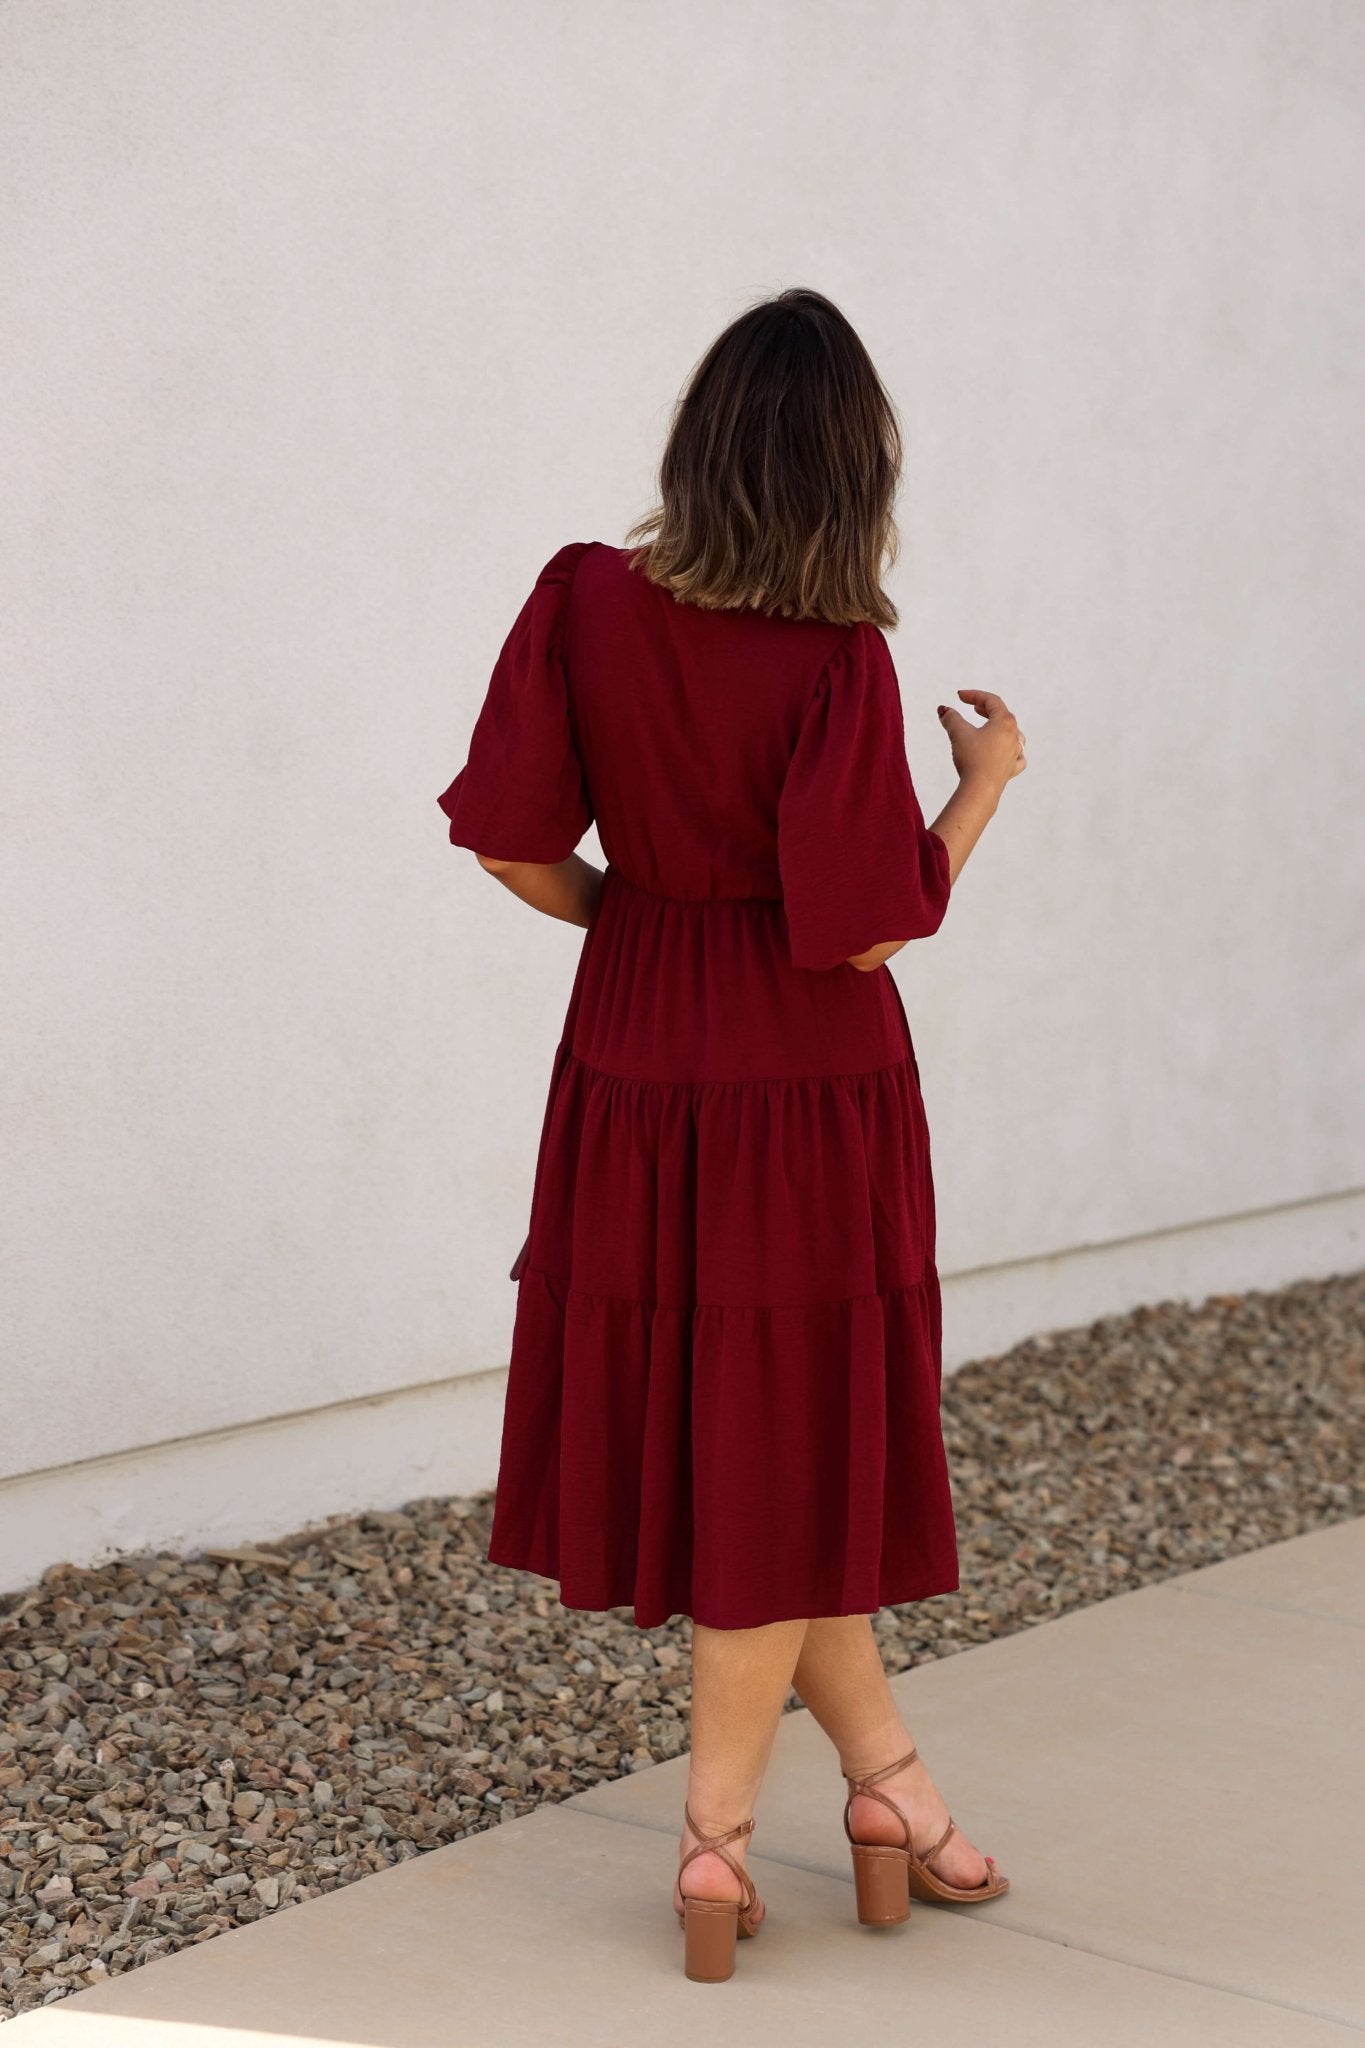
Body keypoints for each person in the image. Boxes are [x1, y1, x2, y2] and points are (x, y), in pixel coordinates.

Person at [436, 286, 1027, 1982]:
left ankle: (891, 1794)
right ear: (854, 473)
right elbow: (857, 928)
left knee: (758, 1456)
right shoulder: (838, 653)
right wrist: (980, 785)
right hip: (801, 1083)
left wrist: (644, 919)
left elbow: (508, 842)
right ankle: (711, 1846)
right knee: (782, 1445)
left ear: (698, 445)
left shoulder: (582, 598)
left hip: (632, 1055)